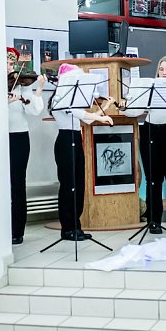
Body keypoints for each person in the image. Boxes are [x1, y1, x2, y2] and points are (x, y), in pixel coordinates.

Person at [123, 55, 166, 235]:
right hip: (151, 132)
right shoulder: (151, 87)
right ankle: (154, 221)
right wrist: (125, 106)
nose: (164, 73)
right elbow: (134, 111)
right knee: (153, 180)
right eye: (161, 69)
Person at [50, 63, 113, 240]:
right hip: (65, 140)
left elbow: (87, 120)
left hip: (76, 140)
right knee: (68, 186)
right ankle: (67, 228)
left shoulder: (72, 99)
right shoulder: (59, 98)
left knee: (78, 185)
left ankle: (76, 226)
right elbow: (79, 114)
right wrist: (101, 116)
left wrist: (105, 107)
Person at [7, 47, 47, 244]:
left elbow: (34, 111)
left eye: (11, 63)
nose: (9, 67)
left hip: (19, 137)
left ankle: (17, 231)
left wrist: (37, 89)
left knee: (17, 184)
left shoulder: (22, 83)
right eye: (5, 63)